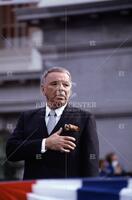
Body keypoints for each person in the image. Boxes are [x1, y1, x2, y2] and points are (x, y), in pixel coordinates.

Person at [6, 67, 99, 180]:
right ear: (43, 89)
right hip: (35, 191)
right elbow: (11, 152)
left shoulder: (85, 118)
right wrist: (45, 143)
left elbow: (91, 163)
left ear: (70, 91)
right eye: (54, 84)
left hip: (67, 193)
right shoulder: (27, 117)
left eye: (66, 85)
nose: (61, 89)